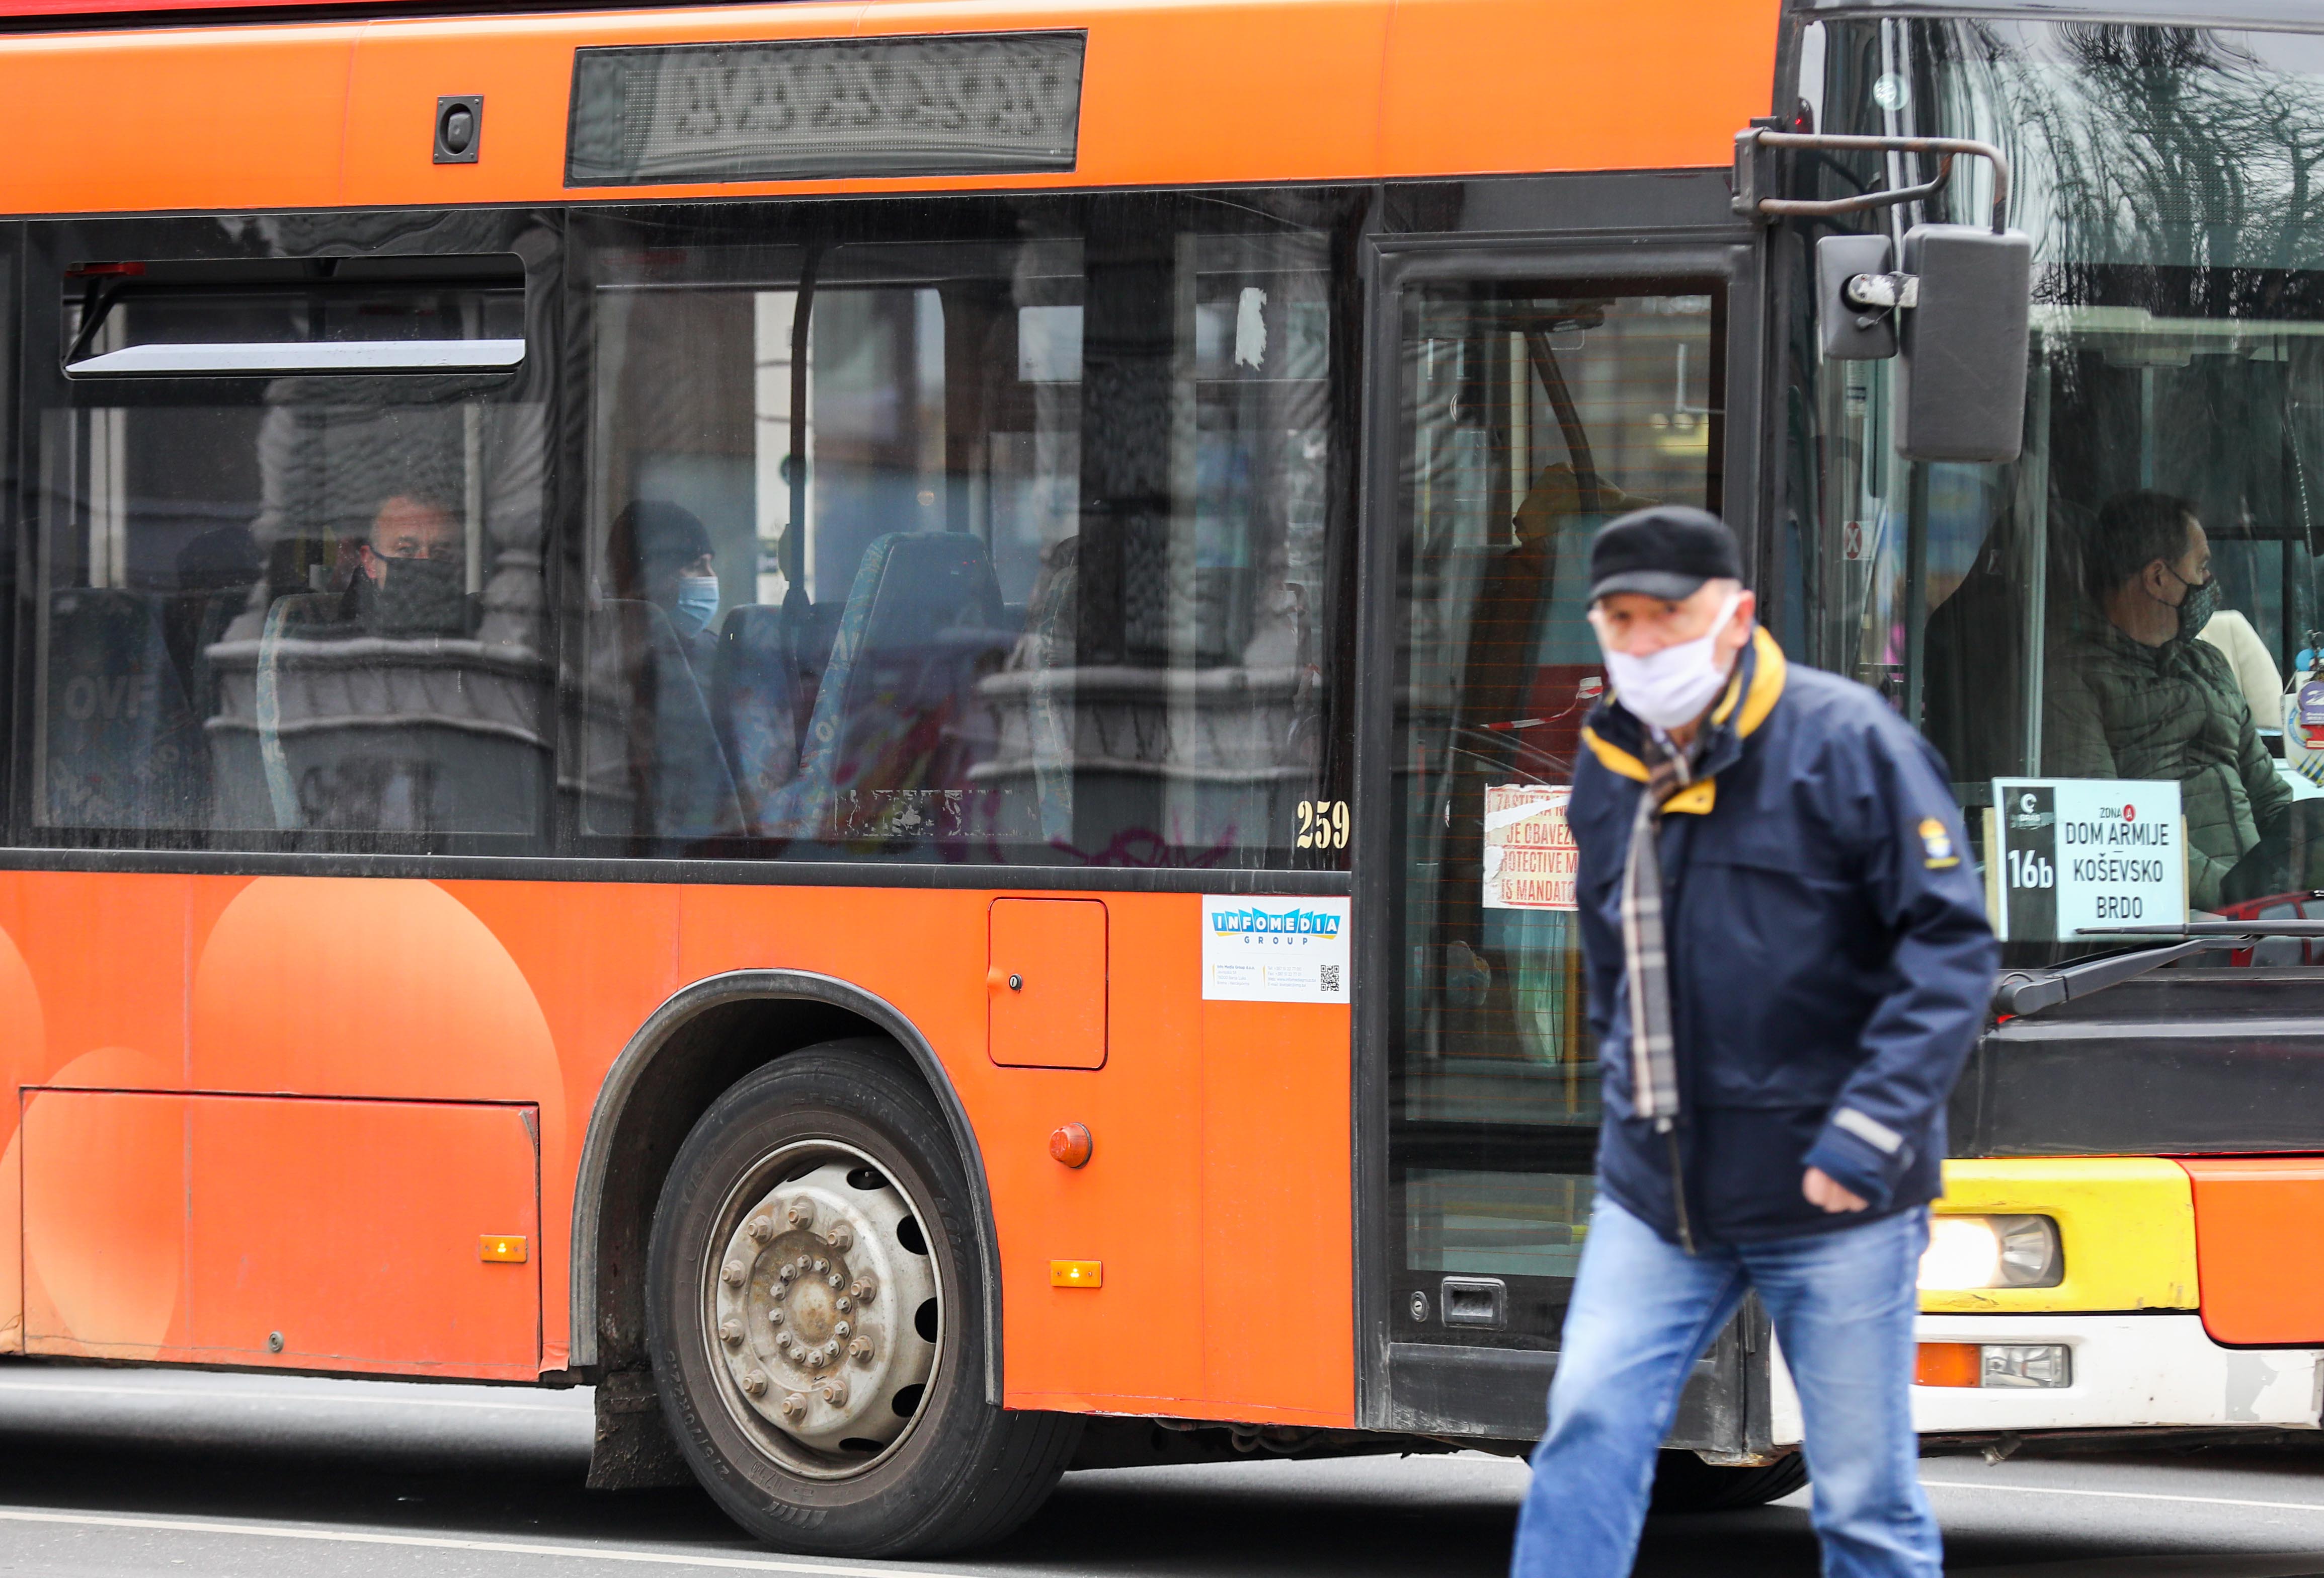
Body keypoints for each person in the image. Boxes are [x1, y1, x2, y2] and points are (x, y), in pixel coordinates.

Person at [1509, 506, 1996, 1578]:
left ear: (1734, 618)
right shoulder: (1605, 763)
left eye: (1666, 617)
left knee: (1864, 1499)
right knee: (1583, 1443)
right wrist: (1626, 1112)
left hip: (1834, 1193)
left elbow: (1949, 950)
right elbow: (1613, 963)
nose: (1640, 644)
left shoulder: (1846, 742)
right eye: (1618, 619)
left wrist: (1863, 1136)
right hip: (1661, 1195)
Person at [2042, 491, 2292, 910]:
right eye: (2201, 567)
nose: (2209, 583)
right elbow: (2105, 829)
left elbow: (2268, 797)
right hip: (2171, 929)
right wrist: (2243, 897)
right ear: (2158, 577)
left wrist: (2304, 862)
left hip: (2260, 916)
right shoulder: (2070, 676)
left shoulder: (2208, 662)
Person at [345, 494, 468, 635]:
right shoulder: (349, 642)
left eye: (440, 553)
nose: (425, 562)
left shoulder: (480, 628)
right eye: (406, 550)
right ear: (371, 562)